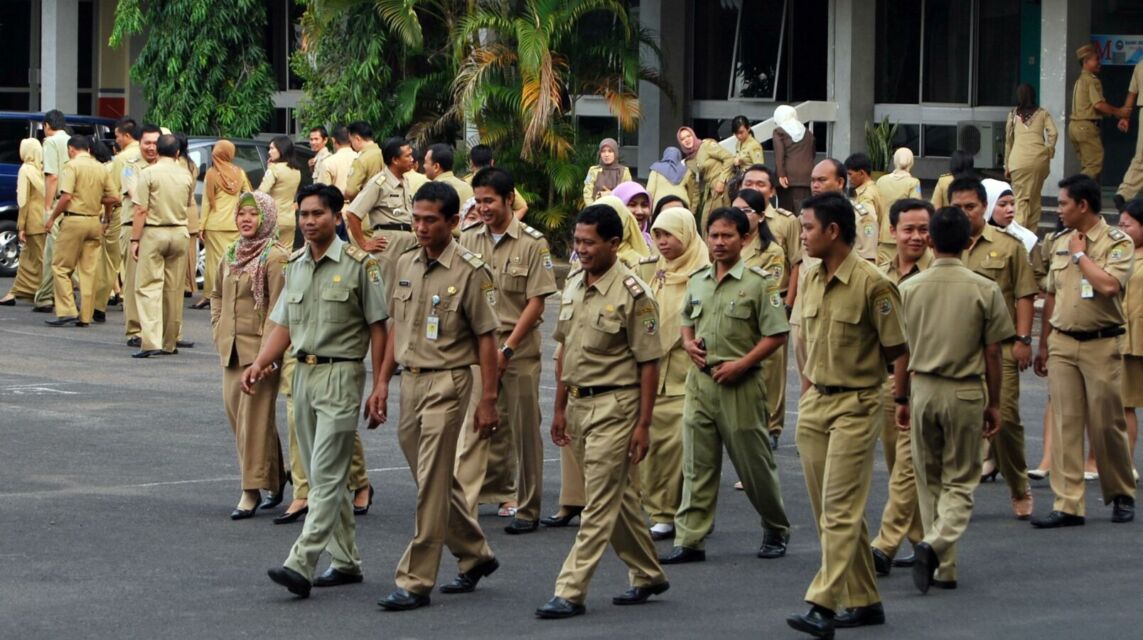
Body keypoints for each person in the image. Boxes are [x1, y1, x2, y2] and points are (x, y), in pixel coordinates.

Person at [243, 183, 387, 599]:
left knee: (323, 475)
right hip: (300, 377)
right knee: (324, 473)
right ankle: (345, 561)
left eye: (317, 214)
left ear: (337, 217)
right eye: (303, 214)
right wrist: (259, 362)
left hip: (340, 376)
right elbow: (284, 324)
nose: (308, 222)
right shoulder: (296, 264)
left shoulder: (362, 265)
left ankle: (301, 561)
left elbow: (380, 328)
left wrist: (379, 386)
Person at [371, 181, 501, 611]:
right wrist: (381, 383)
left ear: (451, 222)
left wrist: (488, 400)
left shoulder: (470, 269)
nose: (422, 227)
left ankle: (415, 579)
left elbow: (487, 340)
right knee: (432, 477)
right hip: (410, 380)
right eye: (417, 219)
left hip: (449, 381)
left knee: (430, 482)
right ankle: (475, 553)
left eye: (431, 220)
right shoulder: (405, 261)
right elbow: (396, 327)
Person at [535, 204, 668, 620]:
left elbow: (649, 362)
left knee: (598, 501)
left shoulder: (634, 294)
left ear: (614, 243)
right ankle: (647, 573)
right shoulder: (573, 283)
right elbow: (564, 352)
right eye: (577, 242)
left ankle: (569, 589)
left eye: (589, 243)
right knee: (620, 496)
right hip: (577, 402)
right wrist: (558, 407)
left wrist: (643, 424)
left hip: (617, 404)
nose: (581, 250)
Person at [786, 192, 908, 639]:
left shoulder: (874, 284)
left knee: (839, 509)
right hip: (816, 401)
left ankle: (822, 603)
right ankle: (865, 599)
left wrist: (903, 403)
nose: (803, 237)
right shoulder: (813, 278)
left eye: (808, 228)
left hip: (857, 404)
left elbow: (898, 350)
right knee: (830, 513)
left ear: (833, 231)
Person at [660, 206, 792, 565]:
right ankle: (690, 539)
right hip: (701, 384)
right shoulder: (699, 279)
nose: (719, 243)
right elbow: (688, 318)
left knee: (754, 465)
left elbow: (777, 333)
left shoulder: (759, 282)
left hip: (741, 385)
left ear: (744, 238)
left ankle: (775, 526)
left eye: (727, 236)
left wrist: (742, 364)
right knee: (697, 464)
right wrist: (688, 343)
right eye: (714, 236)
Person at [900, 206, 1013, 594]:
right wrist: (994, 402)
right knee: (961, 480)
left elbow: (900, 351)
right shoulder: (985, 288)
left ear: (929, 240)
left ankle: (942, 567)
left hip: (922, 388)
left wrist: (900, 396)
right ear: (969, 242)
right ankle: (937, 546)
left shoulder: (909, 288)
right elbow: (994, 353)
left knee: (928, 479)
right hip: (965, 389)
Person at [457, 167, 558, 534]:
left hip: (519, 350)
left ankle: (528, 508)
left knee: (524, 430)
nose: (482, 208)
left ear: (508, 199)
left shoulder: (533, 243)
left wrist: (508, 349)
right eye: (478, 201)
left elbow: (536, 303)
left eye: (489, 201)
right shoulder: (467, 240)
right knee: (475, 427)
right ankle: (466, 501)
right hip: (477, 349)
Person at [1032, 175, 1136, 528]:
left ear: (1083, 205)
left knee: (1107, 424)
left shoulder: (1116, 242)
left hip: (1102, 342)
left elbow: (1108, 285)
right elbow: (1048, 291)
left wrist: (1079, 256)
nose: (1059, 210)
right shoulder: (1057, 241)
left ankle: (1121, 492)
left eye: (1063, 203)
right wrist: (1043, 343)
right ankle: (1068, 503)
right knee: (1065, 423)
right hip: (1063, 341)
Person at [210, 191, 289, 519]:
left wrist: (267, 356)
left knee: (252, 423)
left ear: (267, 218)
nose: (246, 220)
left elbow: (277, 310)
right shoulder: (230, 253)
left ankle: (250, 490)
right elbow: (215, 294)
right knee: (238, 420)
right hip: (230, 350)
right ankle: (274, 476)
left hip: (259, 353)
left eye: (253, 215)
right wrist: (218, 328)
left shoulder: (275, 257)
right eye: (242, 214)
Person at [636, 206, 709, 541]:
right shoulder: (652, 270)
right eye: (659, 235)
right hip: (651, 372)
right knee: (650, 448)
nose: (662, 242)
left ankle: (676, 512)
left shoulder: (703, 273)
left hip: (685, 372)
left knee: (681, 449)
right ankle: (658, 510)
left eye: (670, 235)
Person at [869, 198, 933, 577]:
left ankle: (886, 545)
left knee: (910, 468)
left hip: (923, 383)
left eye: (924, 229)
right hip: (886, 382)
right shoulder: (878, 274)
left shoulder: (939, 270)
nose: (917, 237)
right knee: (899, 468)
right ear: (892, 232)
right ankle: (926, 543)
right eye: (908, 229)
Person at [733, 185, 793, 448]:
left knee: (768, 381)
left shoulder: (772, 251)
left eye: (745, 211)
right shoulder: (727, 242)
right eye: (735, 210)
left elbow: (770, 286)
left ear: (759, 215)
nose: (740, 215)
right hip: (735, 324)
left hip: (764, 322)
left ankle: (771, 430)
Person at [42, 135, 119, 327]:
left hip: (74, 220)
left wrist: (52, 217)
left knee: (61, 267)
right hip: (94, 222)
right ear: (90, 150)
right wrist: (104, 211)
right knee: (88, 271)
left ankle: (67, 310)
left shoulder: (72, 166)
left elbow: (66, 196)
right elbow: (115, 197)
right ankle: (85, 315)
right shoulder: (101, 167)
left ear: (71, 149)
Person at [129, 134, 194, 357]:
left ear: (157, 151)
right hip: (179, 232)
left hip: (154, 232)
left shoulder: (148, 173)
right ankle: (170, 342)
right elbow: (187, 204)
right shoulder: (186, 175)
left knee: (148, 287)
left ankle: (151, 341)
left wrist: (135, 239)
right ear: (177, 153)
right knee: (174, 289)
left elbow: (140, 210)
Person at [345, 136, 417, 297]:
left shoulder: (405, 181)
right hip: (388, 243)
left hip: (408, 240)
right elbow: (352, 214)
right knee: (386, 293)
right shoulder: (379, 182)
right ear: (395, 160)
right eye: (407, 156)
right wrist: (363, 243)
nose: (412, 159)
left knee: (405, 291)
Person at [198, 140, 252, 310]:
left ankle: (210, 295)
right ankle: (232, 293)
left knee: (213, 263)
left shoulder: (211, 174)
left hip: (215, 225)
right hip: (235, 225)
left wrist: (201, 226)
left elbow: (207, 202)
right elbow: (249, 195)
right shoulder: (239, 173)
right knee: (233, 260)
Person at [119, 125, 159, 345]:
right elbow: (137, 197)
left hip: (158, 229)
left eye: (155, 143)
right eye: (147, 143)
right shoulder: (130, 166)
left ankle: (159, 331)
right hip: (134, 227)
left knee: (158, 283)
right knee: (134, 281)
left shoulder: (166, 165)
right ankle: (135, 330)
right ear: (140, 143)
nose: (151, 148)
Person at [33, 109, 72, 313]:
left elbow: (52, 177)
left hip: (59, 202)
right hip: (75, 204)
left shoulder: (50, 143)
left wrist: (48, 208)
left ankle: (45, 297)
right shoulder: (73, 141)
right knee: (73, 254)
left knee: (52, 253)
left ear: (47, 126)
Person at [1005, 84, 1058, 231]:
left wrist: (1006, 165)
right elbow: (1053, 133)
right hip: (1039, 161)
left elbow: (1009, 142)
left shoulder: (1012, 115)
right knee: (1035, 199)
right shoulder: (1042, 113)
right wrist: (1048, 151)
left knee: (1021, 199)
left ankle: (1020, 237)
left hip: (1018, 162)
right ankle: (1032, 234)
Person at [0, 139, 46, 306]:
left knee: (40, 259)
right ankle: (15, 292)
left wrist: (21, 225)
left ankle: (51, 294)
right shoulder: (43, 170)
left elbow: (23, 201)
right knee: (27, 258)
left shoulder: (25, 170)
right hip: (46, 218)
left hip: (33, 220)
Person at [1118, 200, 1143, 473]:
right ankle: (1126, 464)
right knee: (1125, 403)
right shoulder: (1121, 254)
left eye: (1128, 225)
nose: (1122, 230)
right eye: (1120, 224)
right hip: (1129, 337)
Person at [1069, 44, 1118, 181]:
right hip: (1086, 127)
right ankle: (1074, 192)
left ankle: (1088, 199)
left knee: (1087, 165)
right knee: (1094, 165)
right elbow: (1099, 104)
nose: (1099, 63)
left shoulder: (1080, 80)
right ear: (1086, 62)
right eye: (1096, 59)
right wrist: (1117, 112)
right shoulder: (1091, 81)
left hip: (1075, 127)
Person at [677, 126, 736, 230]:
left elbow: (729, 159)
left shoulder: (706, 145)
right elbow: (695, 186)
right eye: (683, 139)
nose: (687, 140)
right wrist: (692, 210)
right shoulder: (689, 160)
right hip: (710, 191)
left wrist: (722, 181)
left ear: (693, 135)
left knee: (722, 221)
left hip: (723, 188)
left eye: (688, 136)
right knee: (705, 224)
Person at [874, 148, 923, 265]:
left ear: (894, 161)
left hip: (883, 234)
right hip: (904, 234)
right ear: (911, 162)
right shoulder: (913, 183)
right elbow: (916, 207)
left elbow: (876, 207)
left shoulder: (881, 181)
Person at [260, 135, 302, 247]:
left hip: (273, 219)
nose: (269, 152)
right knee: (286, 255)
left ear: (281, 149)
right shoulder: (296, 170)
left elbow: (261, 192)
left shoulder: (274, 169)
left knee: (269, 256)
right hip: (289, 219)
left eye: (272, 148)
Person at [772, 105, 815, 213]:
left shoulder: (779, 131)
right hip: (807, 177)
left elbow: (779, 154)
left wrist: (781, 174)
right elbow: (812, 153)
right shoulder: (807, 132)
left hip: (787, 177)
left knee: (787, 212)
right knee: (804, 211)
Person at [466, 144, 528, 218]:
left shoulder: (463, 183)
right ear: (492, 162)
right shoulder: (499, 181)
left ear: (471, 163)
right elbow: (523, 207)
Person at [1114, 61, 1143, 210]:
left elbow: (1132, 94)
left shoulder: (1140, 65)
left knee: (1141, 158)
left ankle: (1124, 194)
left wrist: (1125, 116)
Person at [845, 153, 885, 246]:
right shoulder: (874, 188)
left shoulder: (866, 195)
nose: (849, 178)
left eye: (850, 174)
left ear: (861, 173)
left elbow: (868, 222)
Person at [582, 138, 632, 205]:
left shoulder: (624, 171)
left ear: (615, 153)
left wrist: (612, 194)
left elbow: (628, 193)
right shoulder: (593, 170)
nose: (606, 155)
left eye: (610, 151)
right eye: (603, 151)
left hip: (617, 210)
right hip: (595, 209)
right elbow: (587, 193)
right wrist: (592, 209)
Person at [344, 120, 382, 200]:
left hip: (366, 207)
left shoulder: (361, 160)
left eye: (351, 141)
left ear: (357, 139)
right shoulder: (384, 154)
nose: (351, 145)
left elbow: (351, 191)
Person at [315, 125, 357, 194]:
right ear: (351, 139)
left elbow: (322, 192)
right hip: (359, 204)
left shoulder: (328, 162)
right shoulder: (360, 158)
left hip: (336, 203)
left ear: (333, 140)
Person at [612, 181, 653, 247]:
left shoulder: (651, 243)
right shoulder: (609, 246)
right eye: (632, 205)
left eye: (644, 205)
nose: (640, 211)